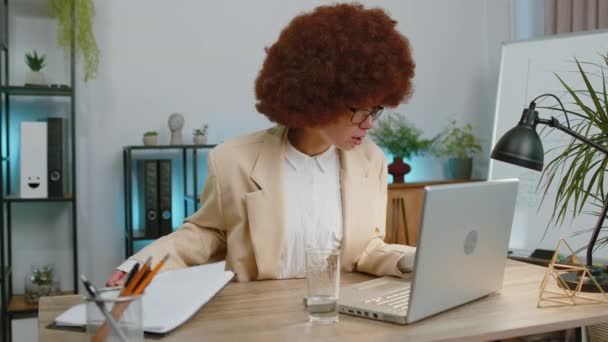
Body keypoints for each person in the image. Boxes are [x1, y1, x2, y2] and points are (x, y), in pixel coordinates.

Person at [107, 3, 416, 286]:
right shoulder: (234, 161)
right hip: (261, 320)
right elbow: (206, 233)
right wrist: (138, 268)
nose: (369, 123)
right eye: (359, 109)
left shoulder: (371, 161)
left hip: (341, 317)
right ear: (320, 98)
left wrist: (410, 259)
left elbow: (367, 249)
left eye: (375, 109)